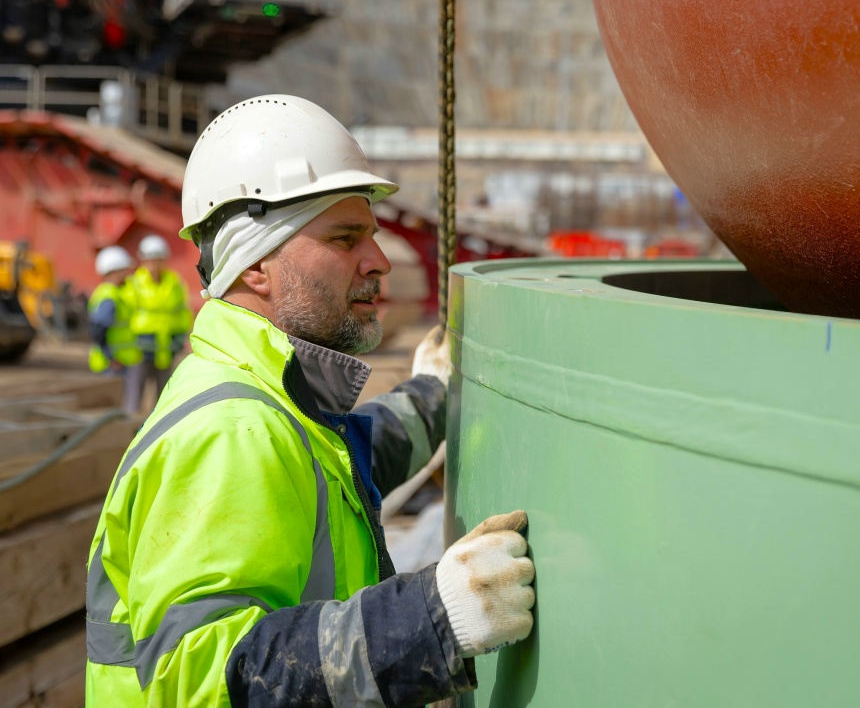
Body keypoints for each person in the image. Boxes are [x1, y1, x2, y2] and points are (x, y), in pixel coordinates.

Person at [85, 95, 535, 707]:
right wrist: (430, 619)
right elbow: (198, 682)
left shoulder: (274, 401)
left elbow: (347, 466)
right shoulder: (231, 433)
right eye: (346, 238)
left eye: (371, 236)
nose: (380, 262)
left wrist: (431, 394)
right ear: (256, 265)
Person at [125, 234, 193, 413]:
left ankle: (159, 422)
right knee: (135, 389)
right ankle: (129, 422)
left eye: (158, 260)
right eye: (150, 260)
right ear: (143, 261)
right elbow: (125, 315)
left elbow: (182, 312)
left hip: (166, 346)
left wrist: (181, 337)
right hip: (140, 346)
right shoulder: (134, 284)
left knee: (163, 393)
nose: (154, 265)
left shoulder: (174, 283)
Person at [87, 246, 141, 391]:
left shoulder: (112, 293)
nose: (128, 274)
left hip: (117, 363)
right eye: (124, 270)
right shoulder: (109, 297)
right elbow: (98, 331)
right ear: (115, 271)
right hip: (111, 366)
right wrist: (111, 358)